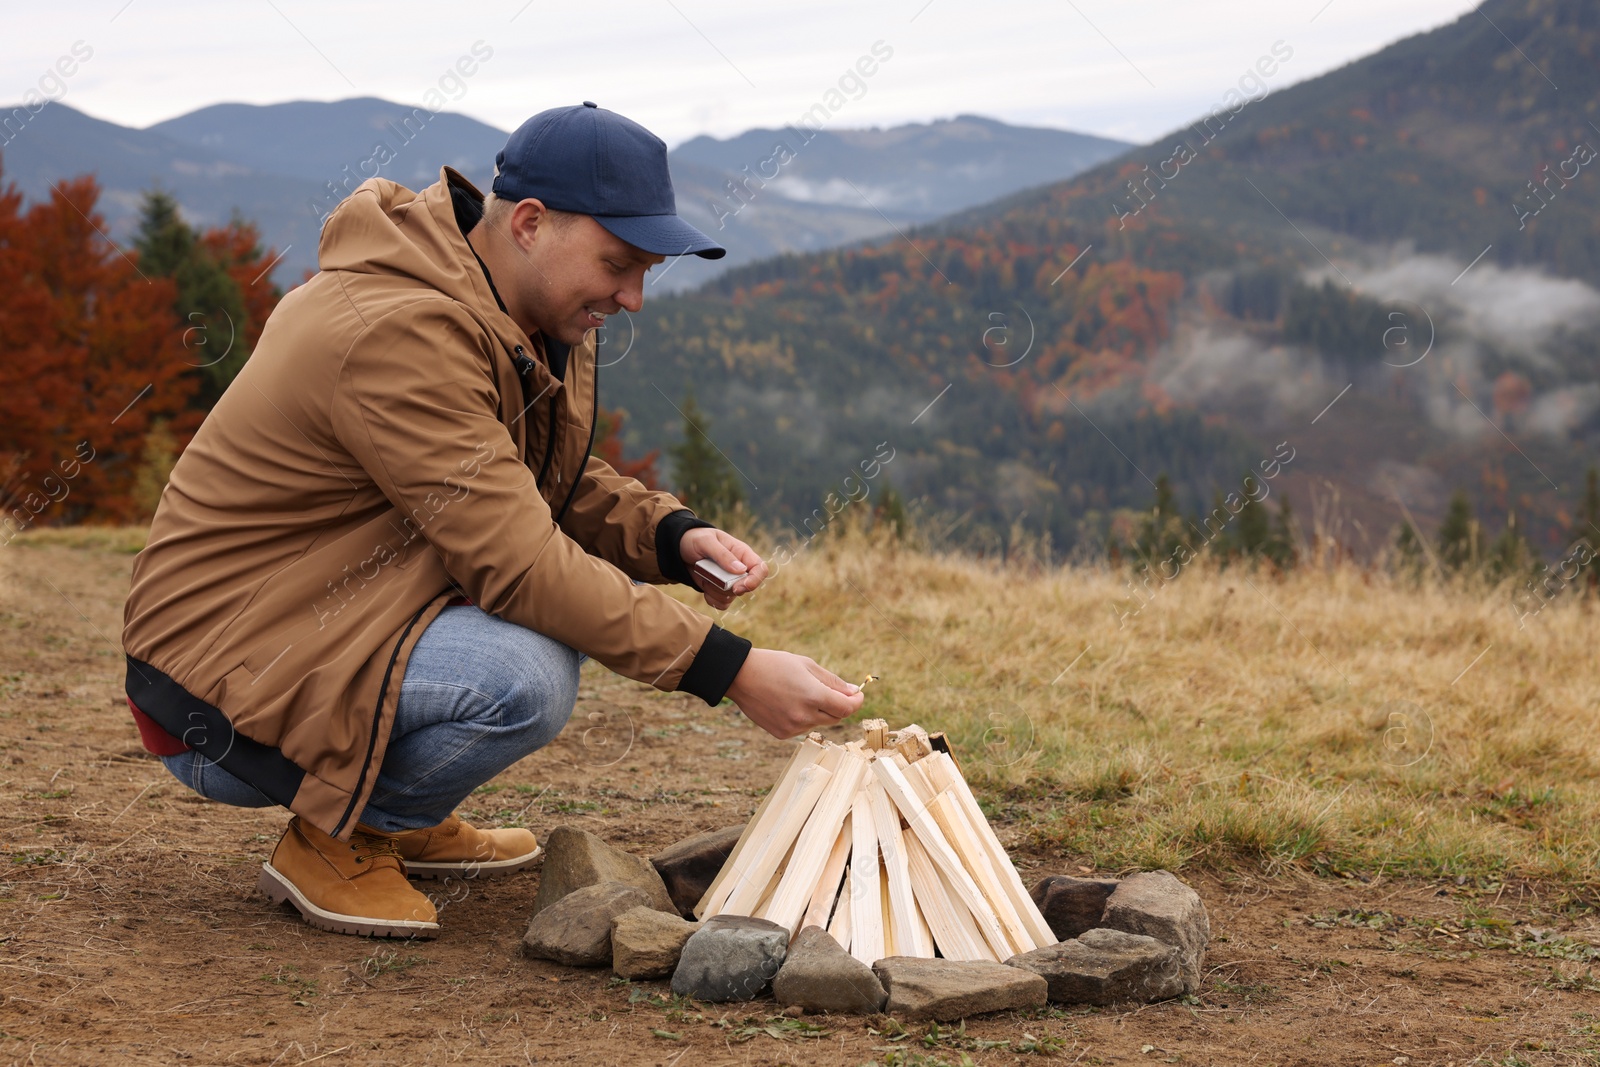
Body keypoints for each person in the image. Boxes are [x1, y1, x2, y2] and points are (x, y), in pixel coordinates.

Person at [120, 102, 865, 939]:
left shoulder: (513, 309)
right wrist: (728, 668)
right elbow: (521, 564)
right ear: (530, 223)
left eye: (646, 270)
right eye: (619, 263)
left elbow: (535, 477)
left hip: (318, 619)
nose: (634, 297)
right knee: (526, 671)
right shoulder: (399, 332)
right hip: (217, 684)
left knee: (521, 643)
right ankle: (337, 839)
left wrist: (668, 534)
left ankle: (394, 814)